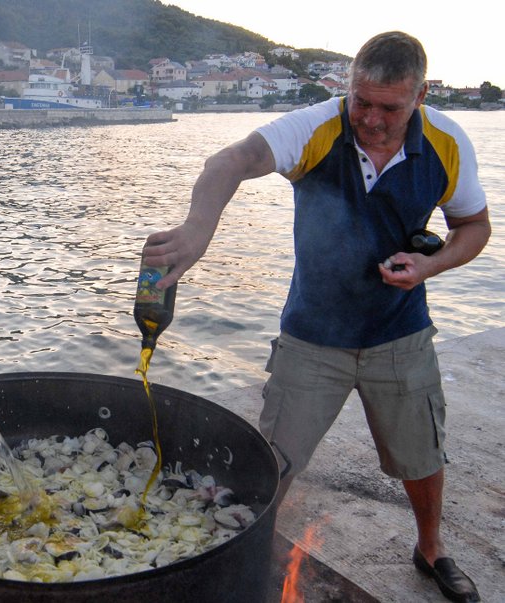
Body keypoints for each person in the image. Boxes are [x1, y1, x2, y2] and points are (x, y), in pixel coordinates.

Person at [141, 32, 488, 603]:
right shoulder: (317, 126)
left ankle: (431, 549)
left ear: (421, 95)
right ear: (347, 88)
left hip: (399, 332)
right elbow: (230, 161)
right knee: (273, 460)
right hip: (312, 335)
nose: (371, 120)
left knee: (421, 455)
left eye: (389, 107)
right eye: (361, 101)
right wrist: (199, 229)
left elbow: (474, 227)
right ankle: (248, 549)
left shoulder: (448, 142)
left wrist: (429, 269)